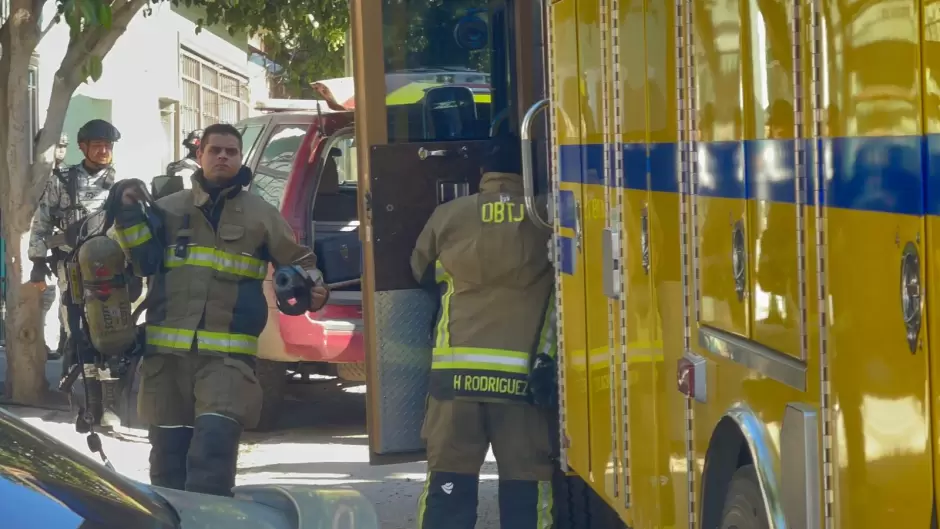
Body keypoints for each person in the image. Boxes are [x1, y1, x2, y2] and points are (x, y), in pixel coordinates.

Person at [114, 122, 330, 497]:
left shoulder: (261, 214)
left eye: (231, 151)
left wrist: (315, 288)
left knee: (213, 452)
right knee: (167, 463)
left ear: (239, 157)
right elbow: (139, 263)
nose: (223, 157)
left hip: (228, 360)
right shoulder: (166, 210)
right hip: (167, 360)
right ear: (200, 155)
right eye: (215, 150)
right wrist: (127, 214)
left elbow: (300, 261)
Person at [410, 134, 556, 529]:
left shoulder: (449, 216)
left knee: (448, 483)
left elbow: (419, 271)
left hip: (456, 378)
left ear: (481, 173)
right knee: (527, 485)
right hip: (523, 382)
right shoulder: (547, 216)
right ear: (529, 172)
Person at [28, 119, 120, 398]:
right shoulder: (63, 179)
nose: (104, 150)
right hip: (73, 267)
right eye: (97, 145)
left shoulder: (120, 182)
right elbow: (42, 221)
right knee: (76, 328)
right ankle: (77, 394)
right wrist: (37, 260)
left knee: (112, 330)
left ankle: (109, 398)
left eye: (108, 145)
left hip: (111, 269)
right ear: (83, 148)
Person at [32, 130, 70, 361]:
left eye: (64, 146)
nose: (60, 151)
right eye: (57, 145)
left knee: (62, 295)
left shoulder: (67, 176)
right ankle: (38, 342)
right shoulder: (33, 175)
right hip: (33, 240)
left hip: (60, 247)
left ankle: (64, 340)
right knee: (41, 296)